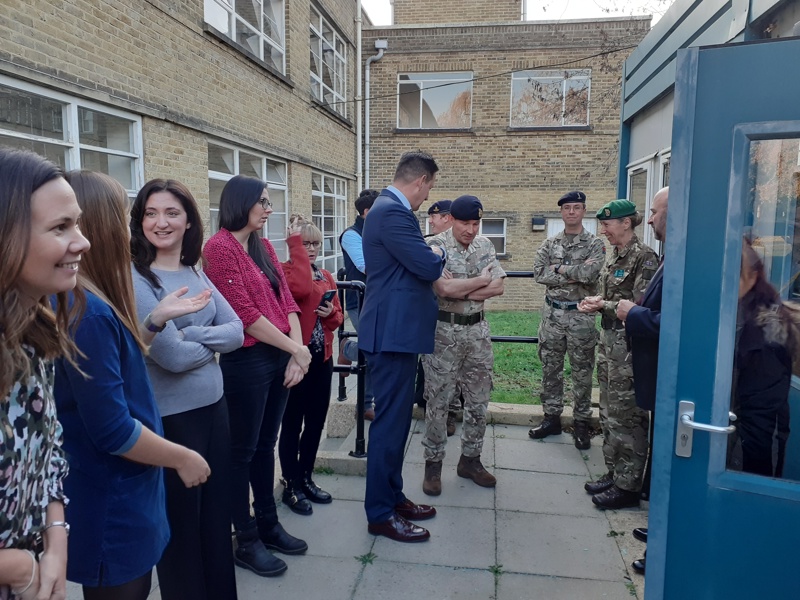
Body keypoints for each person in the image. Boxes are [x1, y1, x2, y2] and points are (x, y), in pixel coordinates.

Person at [55, 170, 212, 600]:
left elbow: (119, 364)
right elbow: (112, 429)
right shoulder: (88, 312)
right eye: (128, 216)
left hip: (125, 493)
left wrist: (154, 321)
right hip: (114, 503)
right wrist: (183, 458)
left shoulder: (92, 300)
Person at [130, 179, 243, 600]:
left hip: (215, 409)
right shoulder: (137, 277)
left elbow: (236, 331)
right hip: (173, 421)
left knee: (216, 519)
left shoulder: (195, 270)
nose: (161, 222)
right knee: (181, 530)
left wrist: (190, 334)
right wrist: (206, 340)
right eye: (151, 213)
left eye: (172, 213)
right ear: (139, 221)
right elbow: (171, 359)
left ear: (189, 220)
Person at [203, 174, 310, 578]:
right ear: (240, 202)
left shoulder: (263, 245)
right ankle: (244, 538)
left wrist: (299, 354)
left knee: (267, 446)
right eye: (262, 202)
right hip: (247, 362)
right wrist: (294, 350)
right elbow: (245, 315)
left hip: (281, 354)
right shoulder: (218, 248)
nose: (268, 209)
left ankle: (267, 522)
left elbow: (287, 301)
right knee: (241, 452)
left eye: (269, 202)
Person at [0, 147, 90, 600]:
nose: (83, 242)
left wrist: (56, 536)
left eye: (77, 223)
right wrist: (17, 568)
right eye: (61, 227)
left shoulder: (34, 331)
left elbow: (49, 444)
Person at [360, 151, 446, 543]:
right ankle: (379, 512)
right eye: (427, 190)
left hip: (397, 332)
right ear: (421, 181)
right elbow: (428, 267)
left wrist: (429, 255)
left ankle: (393, 497)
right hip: (391, 334)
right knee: (389, 427)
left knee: (395, 425)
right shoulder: (393, 213)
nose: (426, 199)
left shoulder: (387, 210)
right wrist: (439, 253)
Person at [421, 195, 506, 496]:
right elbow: (442, 288)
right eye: (465, 223)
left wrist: (463, 289)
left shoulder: (484, 245)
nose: (471, 229)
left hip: (478, 333)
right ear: (452, 219)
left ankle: (470, 460)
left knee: (479, 402)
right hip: (444, 332)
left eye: (475, 223)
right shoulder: (435, 246)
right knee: (439, 402)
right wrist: (477, 283)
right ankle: (433, 465)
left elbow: (498, 285)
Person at [578, 199, 658, 510]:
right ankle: (614, 473)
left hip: (629, 349)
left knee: (629, 417)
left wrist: (603, 305)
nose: (604, 230)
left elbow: (638, 307)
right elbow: (613, 298)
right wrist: (597, 301)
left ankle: (628, 486)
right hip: (610, 344)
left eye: (608, 224)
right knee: (610, 412)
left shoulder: (645, 258)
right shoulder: (616, 257)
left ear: (626, 223)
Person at [616, 186, 669, 575]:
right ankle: (662, 528)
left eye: (653, 211)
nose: (647, 219)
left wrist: (631, 313)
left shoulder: (655, 257)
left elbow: (670, 319)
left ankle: (667, 540)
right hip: (651, 363)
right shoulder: (672, 254)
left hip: (663, 368)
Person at [278, 215, 344, 515]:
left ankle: (306, 478)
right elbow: (301, 291)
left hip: (322, 358)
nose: (312, 249)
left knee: (316, 421)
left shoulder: (326, 275)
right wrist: (296, 250)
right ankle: (290, 483)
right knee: (292, 423)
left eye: (316, 243)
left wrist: (330, 312)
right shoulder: (286, 273)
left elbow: (337, 319)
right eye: (305, 244)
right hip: (295, 360)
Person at [530, 190, 604, 449]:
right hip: (552, 316)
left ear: (584, 211)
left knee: (582, 371)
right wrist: (576, 273)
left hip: (581, 315)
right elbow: (539, 273)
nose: (572, 212)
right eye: (567, 208)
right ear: (561, 212)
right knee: (550, 368)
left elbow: (592, 273)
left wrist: (560, 268)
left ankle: (582, 423)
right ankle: (551, 418)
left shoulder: (595, 244)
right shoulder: (550, 244)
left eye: (577, 207)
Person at [730, 237, 796, 478]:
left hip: (757, 432)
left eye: (735, 276)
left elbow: (764, 402)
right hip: (740, 424)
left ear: (753, 275)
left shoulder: (767, 322)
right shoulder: (737, 310)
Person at [415, 199, 458, 430]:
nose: (430, 221)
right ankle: (430, 407)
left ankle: (451, 412)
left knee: (457, 370)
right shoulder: (426, 244)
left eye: (435, 216)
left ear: (448, 218)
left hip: (461, 318)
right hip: (433, 315)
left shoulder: (465, 245)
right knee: (431, 367)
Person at [339, 189, 378, 419]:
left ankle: (348, 349)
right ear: (366, 212)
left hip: (378, 299)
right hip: (359, 300)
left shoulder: (377, 232)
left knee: (377, 349)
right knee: (372, 352)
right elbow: (366, 266)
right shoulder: (351, 235)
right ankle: (364, 405)